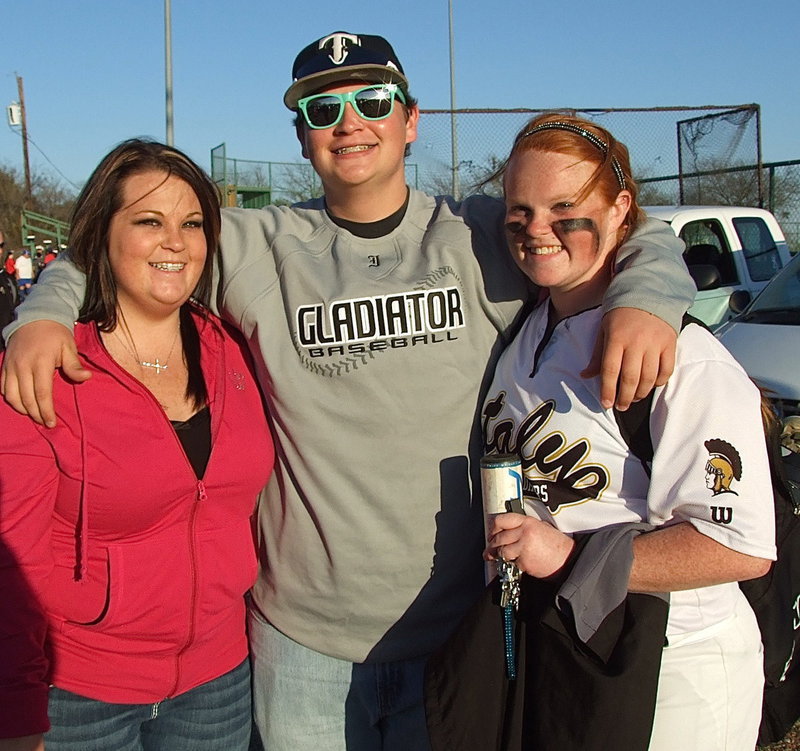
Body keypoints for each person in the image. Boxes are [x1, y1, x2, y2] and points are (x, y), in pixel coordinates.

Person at [1, 32, 696, 751]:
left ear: (410, 119)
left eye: (371, 100)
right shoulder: (254, 245)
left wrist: (644, 296)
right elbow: (129, 249)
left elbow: (625, 227)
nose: (349, 121)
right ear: (301, 136)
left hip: (455, 626)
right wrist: (44, 314)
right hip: (303, 644)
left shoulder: (480, 233)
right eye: (322, 108)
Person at [481, 114, 775, 749]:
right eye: (521, 209)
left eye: (565, 208)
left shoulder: (683, 356)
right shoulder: (527, 329)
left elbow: (742, 546)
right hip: (571, 644)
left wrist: (571, 558)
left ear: (619, 211)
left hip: (675, 663)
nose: (537, 230)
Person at [0, 140, 274, 751]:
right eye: (149, 221)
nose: (175, 241)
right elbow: (10, 557)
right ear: (102, 234)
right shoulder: (45, 368)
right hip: (78, 694)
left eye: (192, 223)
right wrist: (16, 712)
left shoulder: (234, 347)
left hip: (218, 680)